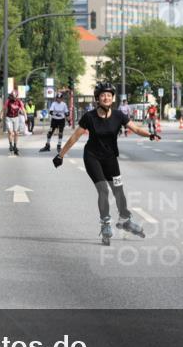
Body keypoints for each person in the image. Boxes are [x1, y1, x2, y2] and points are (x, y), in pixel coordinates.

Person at [53, 82, 160, 245]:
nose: (106, 97)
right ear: (97, 98)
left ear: (113, 98)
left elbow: (136, 129)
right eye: (103, 95)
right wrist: (61, 155)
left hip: (110, 158)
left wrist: (150, 135)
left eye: (109, 95)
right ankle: (105, 224)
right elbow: (75, 137)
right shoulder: (89, 117)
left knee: (119, 191)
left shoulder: (118, 115)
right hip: (92, 157)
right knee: (103, 190)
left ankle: (125, 220)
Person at [0, 91, 25, 155]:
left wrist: (25, 117)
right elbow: (3, 109)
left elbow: (23, 109)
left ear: (16, 96)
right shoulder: (8, 101)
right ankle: (10, 145)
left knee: (16, 132)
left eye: (14, 96)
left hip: (16, 118)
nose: (13, 98)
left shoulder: (19, 102)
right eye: (12, 96)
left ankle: (15, 146)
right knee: (10, 132)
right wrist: (0, 117)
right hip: (9, 117)